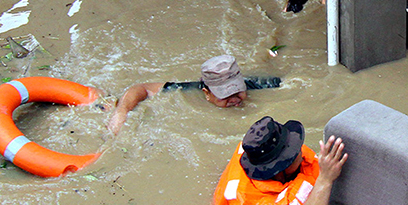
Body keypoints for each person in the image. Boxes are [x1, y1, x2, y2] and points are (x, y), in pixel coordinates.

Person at [212, 116, 348, 205]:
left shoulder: (264, 147)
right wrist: (325, 180)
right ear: (278, 169)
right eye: (292, 153)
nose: (300, 151)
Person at [108, 55, 280, 133]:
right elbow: (141, 89)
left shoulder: (257, 85)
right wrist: (121, 111)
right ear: (207, 93)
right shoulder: (189, 91)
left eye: (238, 91)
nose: (235, 99)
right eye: (225, 95)